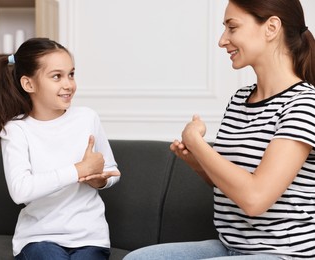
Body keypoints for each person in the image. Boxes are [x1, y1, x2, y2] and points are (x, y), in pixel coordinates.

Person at [124, 0, 315, 259]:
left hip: (283, 254)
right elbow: (230, 184)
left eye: (232, 27)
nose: (222, 40)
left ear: (271, 28)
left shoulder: (303, 103)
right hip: (232, 247)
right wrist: (197, 161)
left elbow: (255, 199)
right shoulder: (240, 99)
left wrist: (198, 143)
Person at [0, 37, 121, 260]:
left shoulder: (87, 118)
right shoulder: (16, 130)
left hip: (90, 238)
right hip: (39, 238)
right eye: (57, 76)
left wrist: (100, 180)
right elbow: (20, 190)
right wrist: (79, 170)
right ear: (29, 84)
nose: (68, 84)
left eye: (71, 74)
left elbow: (112, 170)